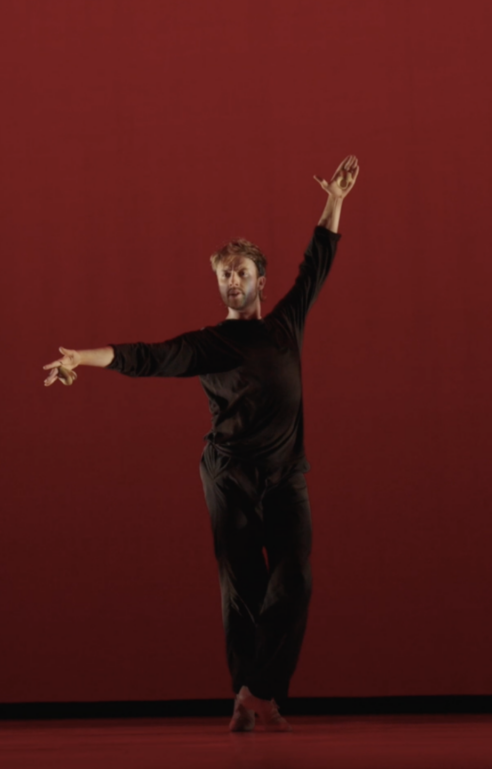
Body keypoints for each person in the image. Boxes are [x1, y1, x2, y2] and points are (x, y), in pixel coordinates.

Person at [43, 157, 359, 732]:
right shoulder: (212, 344)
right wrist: (82, 359)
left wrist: (335, 199)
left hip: (285, 474)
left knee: (295, 580)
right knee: (242, 592)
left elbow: (318, 262)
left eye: (240, 272)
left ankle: (258, 692)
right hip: (229, 475)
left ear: (260, 279)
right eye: (223, 275)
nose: (231, 282)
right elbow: (149, 356)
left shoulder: (286, 323)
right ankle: (253, 697)